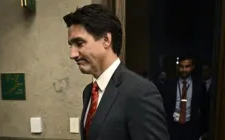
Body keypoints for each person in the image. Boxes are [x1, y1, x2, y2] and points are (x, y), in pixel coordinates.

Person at [63, 4, 169, 140]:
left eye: (80, 43)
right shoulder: (89, 92)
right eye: (71, 45)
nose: (73, 54)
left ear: (106, 40)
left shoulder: (140, 92)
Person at [161, 57, 209, 140]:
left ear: (192, 67)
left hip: (191, 127)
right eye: (181, 66)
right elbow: (163, 105)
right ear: (178, 67)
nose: (184, 69)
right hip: (173, 127)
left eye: (187, 66)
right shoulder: (169, 83)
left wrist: (203, 131)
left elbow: (204, 108)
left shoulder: (199, 85)